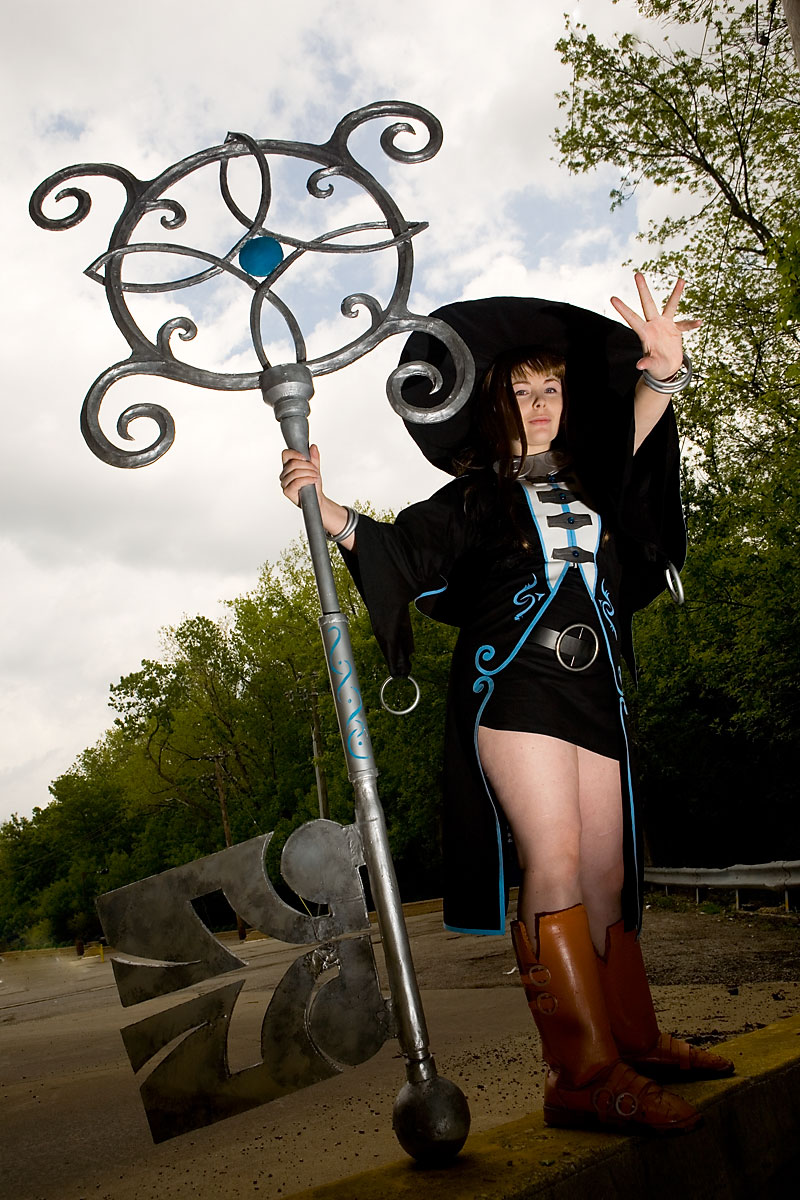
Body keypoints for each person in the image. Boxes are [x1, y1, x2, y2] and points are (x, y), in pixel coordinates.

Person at [279, 274, 733, 1135]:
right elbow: (394, 548)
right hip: (514, 684)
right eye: (521, 392)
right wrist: (322, 501)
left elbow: (640, 423)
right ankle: (580, 1073)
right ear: (495, 405)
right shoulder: (477, 496)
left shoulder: (597, 480)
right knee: (555, 856)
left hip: (595, 689)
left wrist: (664, 371)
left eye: (551, 388)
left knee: (607, 872)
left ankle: (633, 1042)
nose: (539, 404)